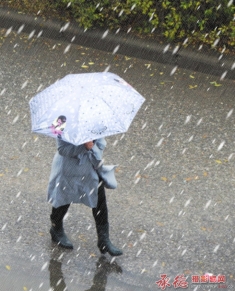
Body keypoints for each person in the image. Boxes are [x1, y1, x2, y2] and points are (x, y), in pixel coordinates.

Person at [47, 136, 123, 256]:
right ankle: (56, 228)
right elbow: (62, 149)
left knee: (99, 200)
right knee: (63, 200)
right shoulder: (63, 120)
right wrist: (83, 147)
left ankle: (104, 239)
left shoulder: (95, 122)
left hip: (89, 167)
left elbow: (100, 144)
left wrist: (92, 147)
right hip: (67, 169)